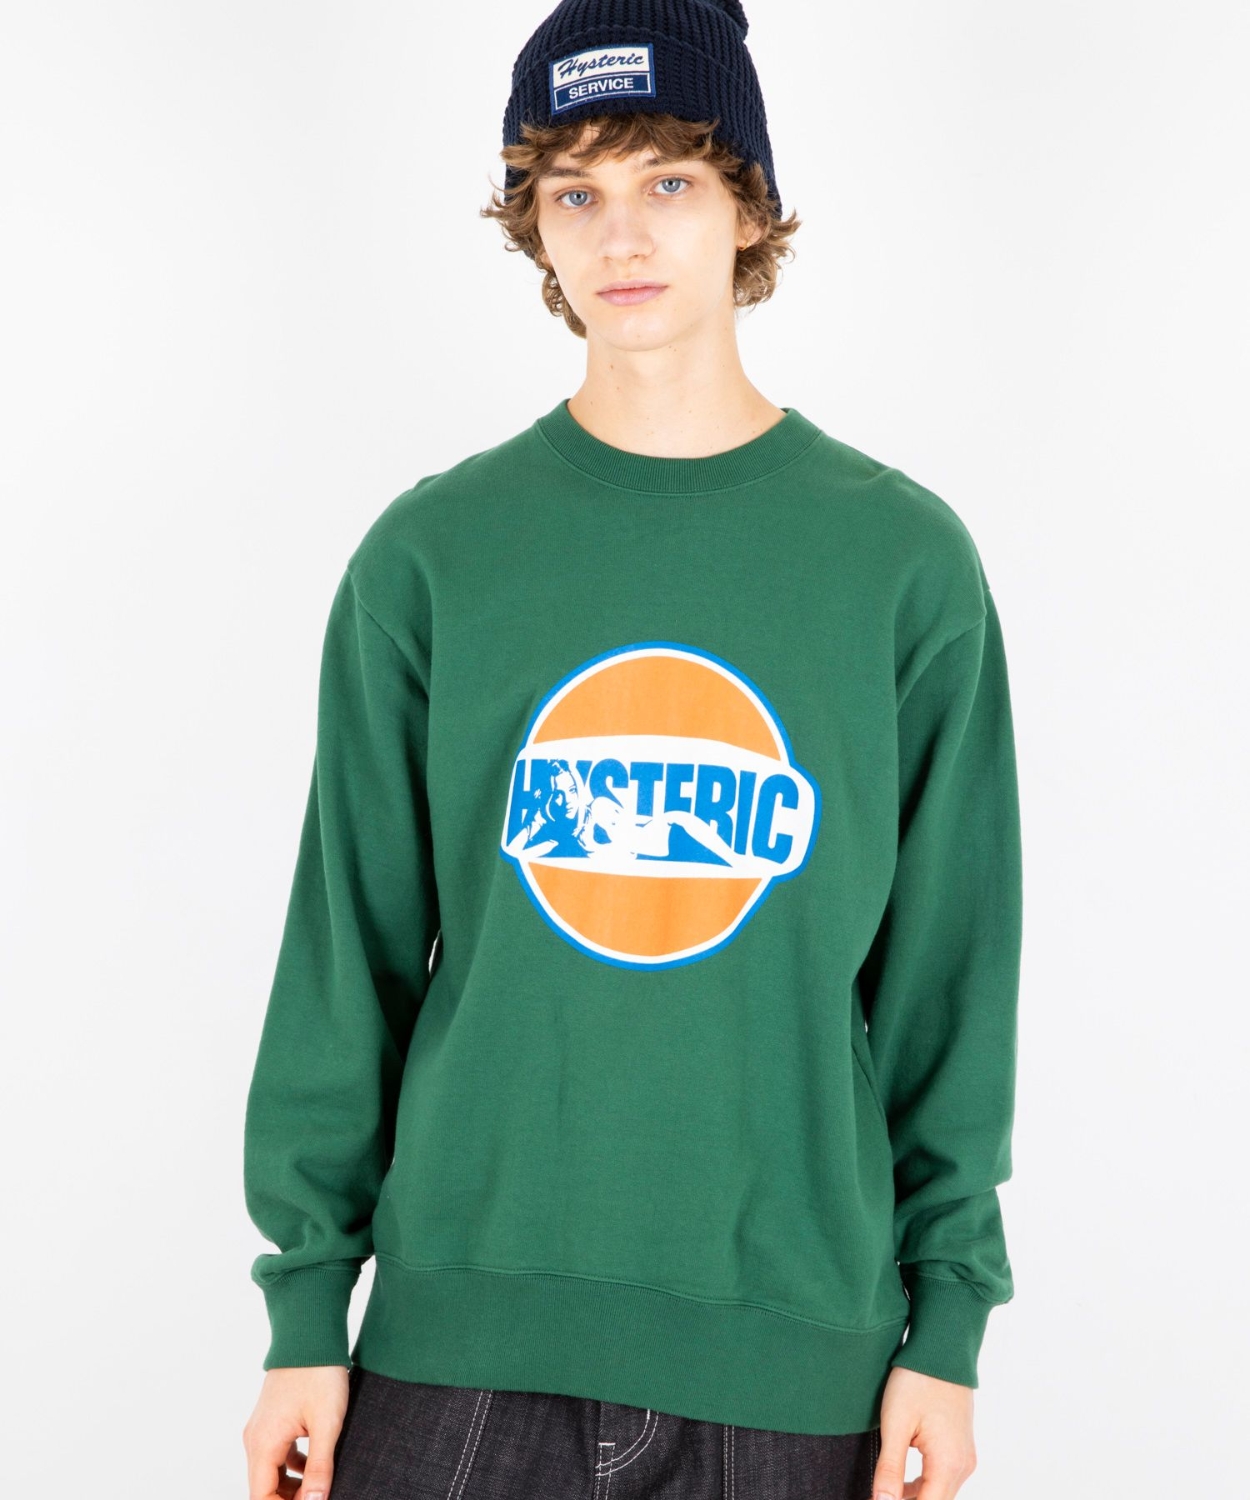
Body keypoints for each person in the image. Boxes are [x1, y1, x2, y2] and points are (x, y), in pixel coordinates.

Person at [240, 1, 1023, 1497]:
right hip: (459, 1350)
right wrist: (303, 1314)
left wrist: (949, 1326)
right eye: (573, 191)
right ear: (532, 226)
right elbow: (347, 956)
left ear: (748, 206)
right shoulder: (434, 556)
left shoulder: (898, 565)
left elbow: (948, 981)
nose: (621, 235)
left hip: (794, 1358)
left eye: (669, 178)